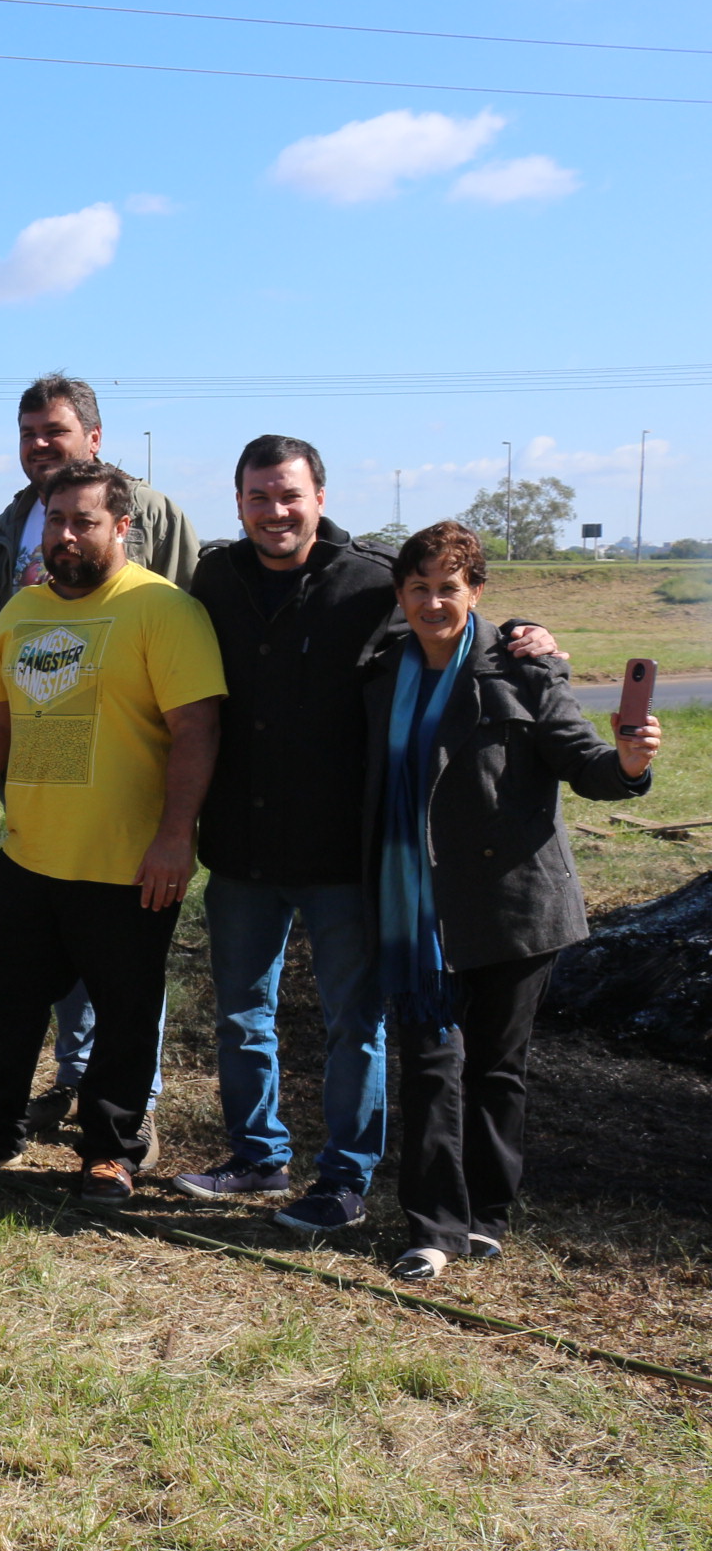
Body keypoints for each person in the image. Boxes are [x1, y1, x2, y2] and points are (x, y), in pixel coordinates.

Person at [173, 437, 566, 1234]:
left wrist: (525, 631)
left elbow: (449, 616)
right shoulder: (213, 578)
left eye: (288, 495)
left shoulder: (369, 581)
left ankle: (344, 1180)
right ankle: (257, 1156)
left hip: (343, 853)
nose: (274, 511)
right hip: (240, 845)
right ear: (238, 502)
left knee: (357, 1022)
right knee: (242, 1013)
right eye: (257, 497)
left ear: (319, 495)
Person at [365, 522, 656, 1282]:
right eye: (419, 588)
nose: (434, 602)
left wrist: (627, 762)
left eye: (449, 588)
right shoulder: (378, 675)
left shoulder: (524, 667)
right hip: (413, 905)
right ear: (401, 595)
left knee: (497, 1069)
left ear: (477, 592)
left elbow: (584, 762)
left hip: (514, 903)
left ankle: (487, 1217)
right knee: (430, 1065)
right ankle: (432, 1227)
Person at [0, 461, 226, 1205]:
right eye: (57, 519)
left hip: (128, 866)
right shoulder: (23, 610)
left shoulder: (163, 610)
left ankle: (112, 1151)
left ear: (122, 527)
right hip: (31, 856)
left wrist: (174, 837)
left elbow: (195, 730)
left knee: (125, 1019)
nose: (67, 535)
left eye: (84, 521)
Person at [0, 374, 204, 1133]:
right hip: (34, 826)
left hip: (127, 837)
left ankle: (114, 1134)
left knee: (125, 1001)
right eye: (29, 433)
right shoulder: (15, 563)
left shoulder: (162, 581)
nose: (66, 535)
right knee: (5, 995)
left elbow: (197, 714)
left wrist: (177, 832)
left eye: (57, 431)